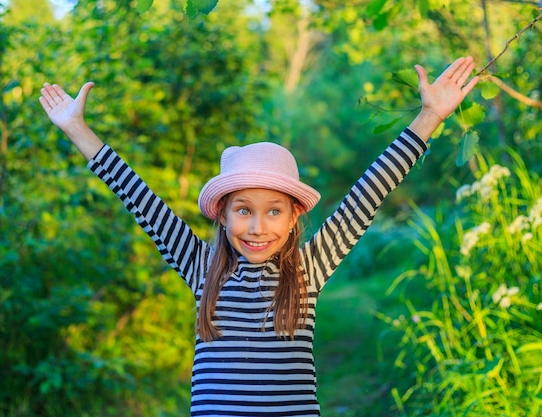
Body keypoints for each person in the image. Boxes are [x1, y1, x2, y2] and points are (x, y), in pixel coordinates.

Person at [39, 56, 479, 417]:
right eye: (243, 210)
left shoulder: (309, 269)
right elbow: (137, 196)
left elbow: (370, 191)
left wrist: (430, 115)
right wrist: (77, 128)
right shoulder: (200, 266)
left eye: (273, 211)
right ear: (224, 216)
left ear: (292, 219)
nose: (257, 226)